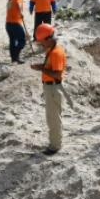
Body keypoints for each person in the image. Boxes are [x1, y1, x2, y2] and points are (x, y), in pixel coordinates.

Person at [30, 23, 66, 155]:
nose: (41, 45)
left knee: (53, 118)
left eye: (41, 42)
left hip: (53, 88)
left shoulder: (56, 52)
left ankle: (55, 146)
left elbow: (57, 74)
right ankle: (55, 142)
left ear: (48, 39)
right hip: (51, 87)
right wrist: (41, 66)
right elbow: (50, 68)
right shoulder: (51, 49)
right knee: (52, 117)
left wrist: (41, 68)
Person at [6, 0, 26, 64]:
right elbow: (18, 4)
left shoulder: (9, 1)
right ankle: (16, 56)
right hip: (15, 24)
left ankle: (13, 58)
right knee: (22, 40)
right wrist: (21, 13)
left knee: (12, 41)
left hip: (8, 24)